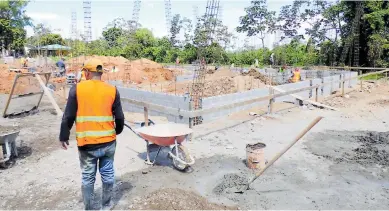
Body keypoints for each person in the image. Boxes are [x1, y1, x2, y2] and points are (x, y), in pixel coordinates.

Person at [59, 58, 125, 210]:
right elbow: (120, 117)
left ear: (87, 73)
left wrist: (64, 135)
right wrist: (117, 131)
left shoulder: (77, 89)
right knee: (108, 174)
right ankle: (106, 205)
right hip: (109, 142)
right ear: (101, 73)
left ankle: (89, 208)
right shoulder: (112, 90)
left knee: (88, 178)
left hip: (87, 144)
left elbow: (68, 116)